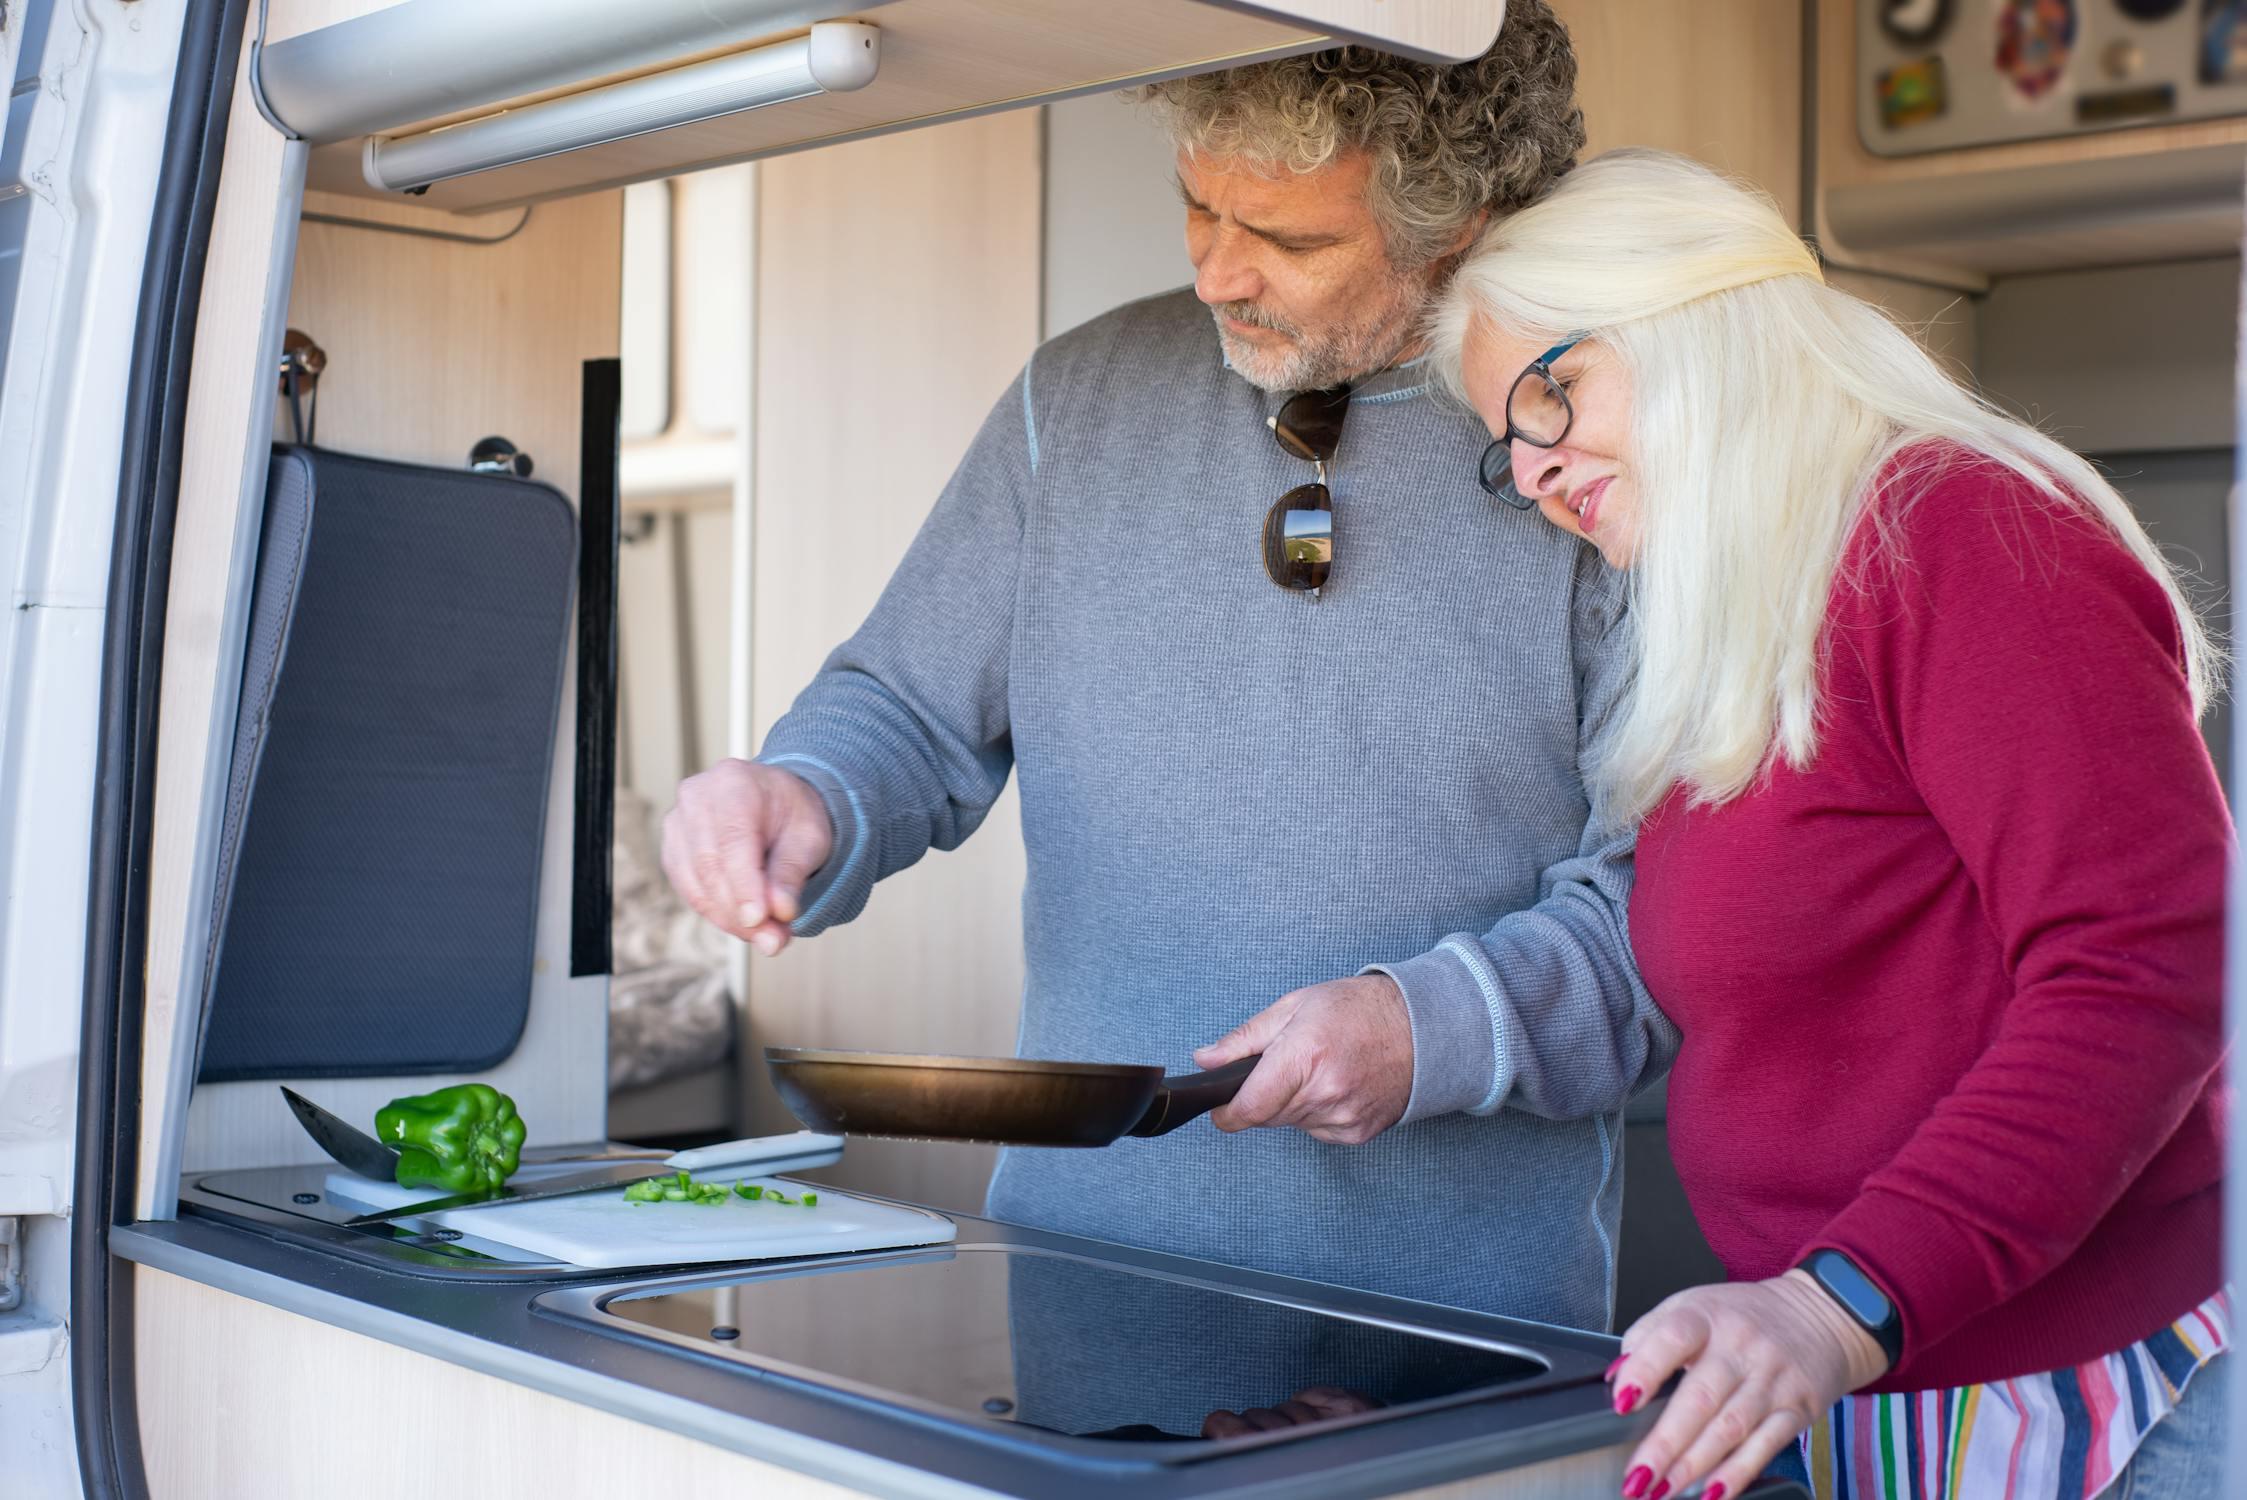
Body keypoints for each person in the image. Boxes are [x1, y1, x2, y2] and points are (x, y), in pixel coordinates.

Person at [662, 11, 1678, 1324]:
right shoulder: (1071, 401)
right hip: (1086, 1294)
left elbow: (1664, 915)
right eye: (1197, 208)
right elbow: (904, 710)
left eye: (1291, 239)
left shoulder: (1601, 462)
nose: (1215, 275)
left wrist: (1428, 1030)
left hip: (1461, 1331)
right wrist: (804, 794)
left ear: (1466, 227)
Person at [1431, 147, 2232, 1500]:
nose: (1530, 466)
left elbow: (2151, 969)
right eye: (1503, 441)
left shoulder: (1965, 534)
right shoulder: (1747, 617)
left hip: (2083, 1393)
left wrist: (1835, 1302)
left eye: (1551, 393)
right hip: (1870, 1372)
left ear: (1702, 323)